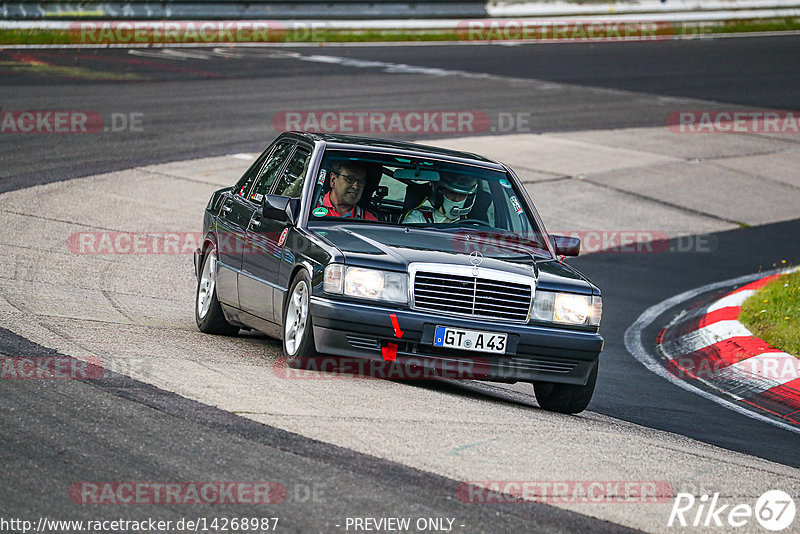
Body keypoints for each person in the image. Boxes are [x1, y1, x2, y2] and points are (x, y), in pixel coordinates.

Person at [402, 174, 478, 224]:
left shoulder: (471, 226)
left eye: (462, 195)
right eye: (451, 193)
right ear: (438, 195)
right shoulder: (417, 219)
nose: (456, 199)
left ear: (468, 199)